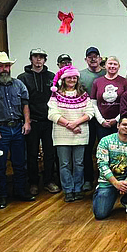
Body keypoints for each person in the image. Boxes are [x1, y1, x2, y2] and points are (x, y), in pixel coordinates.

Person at [0, 52, 34, 209]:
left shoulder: (18, 84)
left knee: (19, 162)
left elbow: (25, 105)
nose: (5, 69)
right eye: (1, 66)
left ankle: (20, 191)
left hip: (17, 127)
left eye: (7, 66)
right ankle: (1, 195)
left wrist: (27, 122)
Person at [48, 65, 94, 202]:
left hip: (80, 133)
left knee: (79, 163)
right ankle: (68, 190)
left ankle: (78, 189)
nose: (72, 79)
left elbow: (90, 112)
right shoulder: (56, 95)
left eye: (74, 77)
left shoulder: (83, 94)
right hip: (62, 135)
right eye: (69, 77)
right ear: (63, 79)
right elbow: (52, 114)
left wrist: (75, 123)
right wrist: (69, 125)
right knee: (64, 164)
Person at [16, 48, 59, 196]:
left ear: (45, 60)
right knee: (32, 153)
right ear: (31, 59)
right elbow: (22, 101)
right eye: (35, 57)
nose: (38, 60)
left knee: (50, 153)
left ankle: (48, 181)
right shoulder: (22, 78)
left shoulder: (52, 76)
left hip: (49, 122)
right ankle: (33, 182)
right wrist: (26, 121)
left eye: (41, 57)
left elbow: (57, 98)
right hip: (32, 121)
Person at [92, 117, 127, 219]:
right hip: (108, 181)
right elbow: (102, 164)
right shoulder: (105, 141)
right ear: (118, 126)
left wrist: (126, 181)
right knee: (100, 214)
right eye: (124, 124)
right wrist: (115, 183)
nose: (126, 127)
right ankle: (100, 192)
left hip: (126, 180)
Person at [79, 46, 106, 191]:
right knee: (87, 149)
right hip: (87, 118)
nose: (93, 59)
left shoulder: (107, 73)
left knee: (104, 149)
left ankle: (104, 178)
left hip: (104, 118)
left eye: (96, 56)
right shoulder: (80, 75)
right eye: (90, 57)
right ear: (86, 59)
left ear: (100, 59)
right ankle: (88, 179)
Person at [91, 56, 127, 141]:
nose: (112, 66)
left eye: (115, 64)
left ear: (119, 67)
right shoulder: (97, 82)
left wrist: (116, 119)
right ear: (105, 66)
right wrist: (101, 121)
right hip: (101, 123)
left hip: (119, 123)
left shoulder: (125, 82)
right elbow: (93, 103)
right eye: (110, 63)